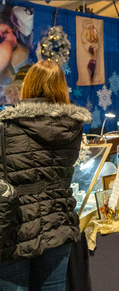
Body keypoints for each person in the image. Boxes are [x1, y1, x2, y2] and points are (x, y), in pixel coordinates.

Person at [0, 60, 90, 291]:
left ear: (28, 85)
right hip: (58, 222)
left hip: (14, 227)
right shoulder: (73, 126)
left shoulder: (6, 126)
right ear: (62, 86)